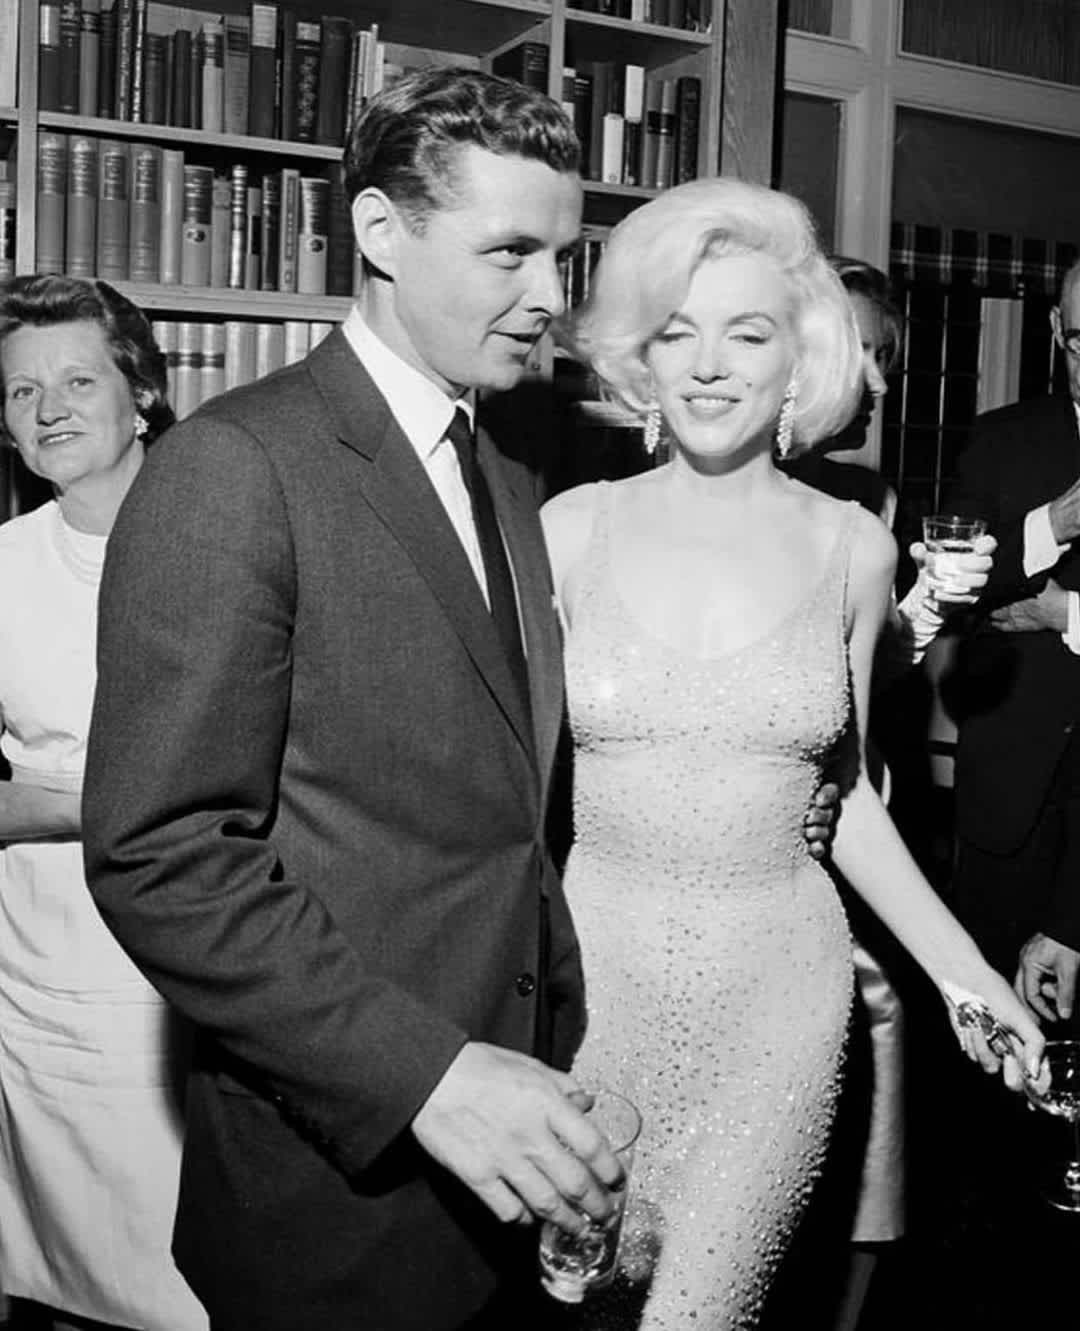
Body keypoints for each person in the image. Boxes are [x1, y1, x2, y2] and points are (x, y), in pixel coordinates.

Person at [79, 71, 835, 1331]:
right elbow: (161, 852)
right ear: (381, 232)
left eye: (561, 256)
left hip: (520, 1163)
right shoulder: (236, 467)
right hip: (339, 1191)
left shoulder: (509, 461)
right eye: (509, 253)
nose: (548, 296)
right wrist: (427, 1078)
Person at [540, 177, 1043, 1330]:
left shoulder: (855, 549)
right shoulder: (570, 531)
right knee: (584, 1308)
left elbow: (846, 793)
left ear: (799, 360)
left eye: (747, 333)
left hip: (778, 1005)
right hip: (594, 998)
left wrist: (968, 977)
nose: (709, 364)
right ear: (640, 354)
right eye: (678, 332)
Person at [0, 275, 206, 1331]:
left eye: (78, 380)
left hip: (197, 982)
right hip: (46, 987)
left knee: (205, 1282)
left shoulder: (226, 545)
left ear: (145, 392)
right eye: (21, 391)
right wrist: (104, 802)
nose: (49, 410)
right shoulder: (4, 568)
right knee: (70, 1287)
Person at [942, 257, 1080, 1025]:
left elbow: (1029, 606)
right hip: (1015, 800)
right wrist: (1050, 526)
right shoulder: (1003, 440)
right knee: (994, 1036)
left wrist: (1066, 614)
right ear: (1056, 331)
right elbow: (952, 589)